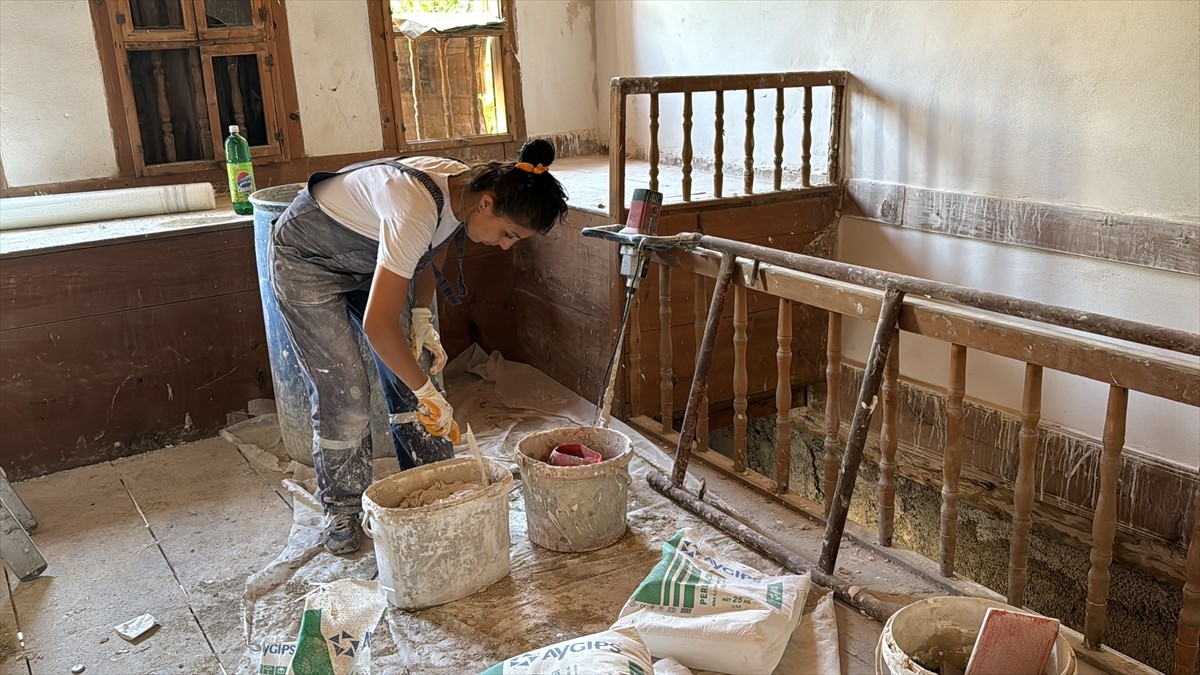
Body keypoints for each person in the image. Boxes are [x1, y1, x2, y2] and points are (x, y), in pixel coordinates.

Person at [268, 139, 568, 554]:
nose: (504, 246)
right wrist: (426, 392)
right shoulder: (414, 208)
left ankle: (435, 481)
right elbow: (378, 325)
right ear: (487, 203)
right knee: (346, 393)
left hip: (369, 255)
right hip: (306, 259)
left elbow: (437, 244)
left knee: (417, 364)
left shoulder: (461, 188)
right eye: (507, 234)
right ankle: (342, 507)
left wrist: (422, 317)